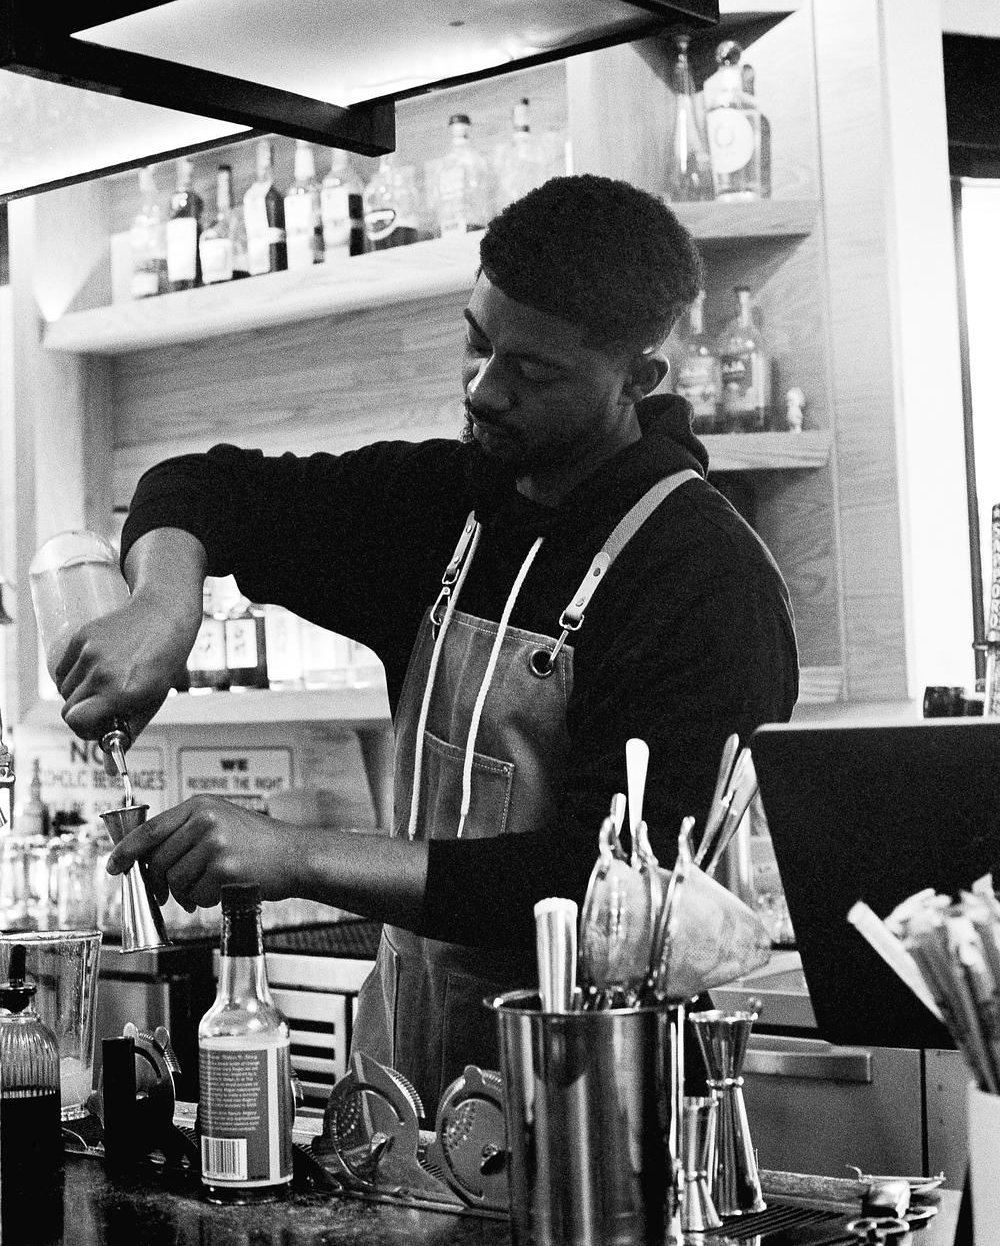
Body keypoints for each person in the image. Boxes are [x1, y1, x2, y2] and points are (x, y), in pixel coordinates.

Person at [54, 173, 798, 1111]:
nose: (484, 389)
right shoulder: (447, 505)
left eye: (532, 373)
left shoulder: (704, 577)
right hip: (401, 1091)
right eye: (477, 342)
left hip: (600, 1107)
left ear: (636, 380)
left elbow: (611, 891)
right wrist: (165, 606)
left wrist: (299, 855)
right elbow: (202, 488)